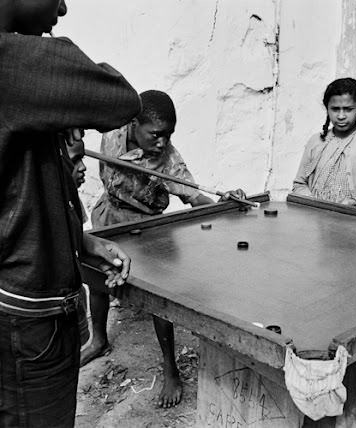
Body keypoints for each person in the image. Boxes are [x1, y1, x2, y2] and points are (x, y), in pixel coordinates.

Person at [0, 1, 141, 426]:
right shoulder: (12, 63)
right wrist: (44, 47)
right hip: (28, 316)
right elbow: (120, 98)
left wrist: (77, 241)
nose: (62, 6)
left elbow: (16, 193)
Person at [82, 89, 244, 408]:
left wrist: (221, 208)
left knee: (160, 299)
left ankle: (171, 368)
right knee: (96, 277)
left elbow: (195, 197)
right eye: (155, 134)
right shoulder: (111, 130)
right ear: (132, 124)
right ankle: (98, 339)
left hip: (147, 225)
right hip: (110, 215)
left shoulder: (168, 158)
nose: (162, 142)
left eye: (168, 135)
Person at [292, 77, 356, 210]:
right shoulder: (316, 142)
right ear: (327, 109)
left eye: (348, 109)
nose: (341, 116)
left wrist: (355, 202)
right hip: (315, 221)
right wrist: (312, 201)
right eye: (335, 109)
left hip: (353, 224)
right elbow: (299, 184)